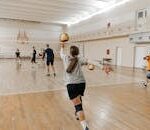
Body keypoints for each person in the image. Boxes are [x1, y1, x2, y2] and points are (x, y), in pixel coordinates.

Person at [60, 43, 89, 130]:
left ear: (70, 52)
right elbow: (90, 61)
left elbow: (61, 53)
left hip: (71, 84)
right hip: (82, 83)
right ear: (78, 52)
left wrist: (62, 46)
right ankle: (77, 114)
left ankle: (85, 127)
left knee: (78, 106)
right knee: (79, 99)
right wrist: (102, 67)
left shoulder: (65, 58)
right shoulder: (80, 59)